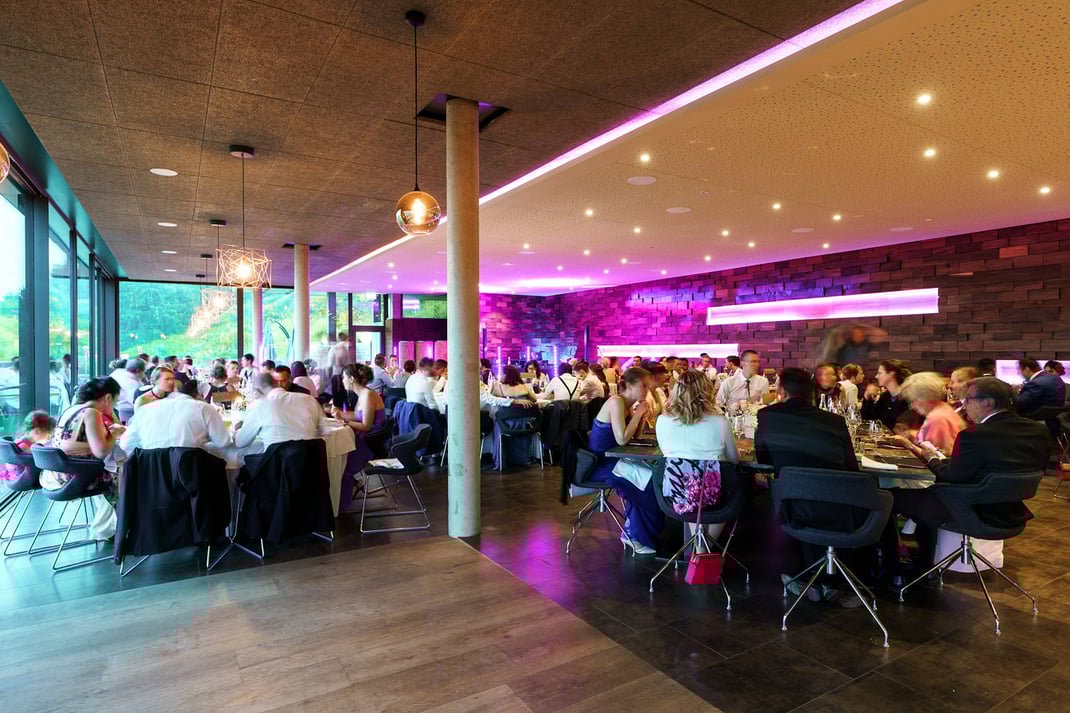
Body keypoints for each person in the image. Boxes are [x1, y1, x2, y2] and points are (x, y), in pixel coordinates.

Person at [886, 377, 1051, 570]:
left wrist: (931, 458)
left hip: (971, 509)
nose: (964, 405)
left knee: (886, 498)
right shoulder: (1038, 430)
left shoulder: (974, 435)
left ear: (987, 402)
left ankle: (901, 566)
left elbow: (951, 477)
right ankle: (922, 562)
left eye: (968, 400)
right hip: (1011, 510)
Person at [755, 367, 864, 606]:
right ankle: (830, 580)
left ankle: (800, 575)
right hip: (839, 505)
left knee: (765, 497)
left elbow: (763, 460)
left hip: (793, 503)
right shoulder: (835, 421)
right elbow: (851, 466)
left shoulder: (767, 415)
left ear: (782, 390)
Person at [656, 370, 738, 541]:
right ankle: (702, 550)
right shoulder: (720, 421)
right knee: (736, 484)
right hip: (714, 494)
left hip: (676, 491)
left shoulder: (662, 420)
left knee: (693, 484)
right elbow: (734, 460)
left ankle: (699, 547)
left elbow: (669, 455)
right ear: (706, 391)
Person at [587, 367, 661, 555]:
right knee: (646, 483)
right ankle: (633, 535)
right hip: (601, 464)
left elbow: (632, 436)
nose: (647, 390)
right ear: (630, 385)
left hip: (615, 460)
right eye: (644, 385)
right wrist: (637, 415)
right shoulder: (616, 402)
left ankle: (638, 530)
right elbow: (621, 439)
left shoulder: (627, 404)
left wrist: (641, 417)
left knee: (654, 476)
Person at [41, 378, 126, 540]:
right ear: (108, 398)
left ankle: (109, 527)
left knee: (113, 469)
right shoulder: (91, 413)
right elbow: (101, 451)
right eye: (115, 401)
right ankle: (111, 529)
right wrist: (115, 433)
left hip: (55, 474)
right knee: (122, 471)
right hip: (75, 478)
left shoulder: (72, 410)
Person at [121, 380, 231, 453]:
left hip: (152, 475)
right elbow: (223, 441)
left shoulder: (145, 410)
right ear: (199, 395)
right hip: (190, 473)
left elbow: (126, 444)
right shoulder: (203, 408)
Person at [234, 373, 322, 449]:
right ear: (276, 382)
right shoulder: (309, 399)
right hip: (311, 459)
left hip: (278, 461)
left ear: (257, 390)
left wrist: (236, 432)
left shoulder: (258, 405)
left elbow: (240, 442)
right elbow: (326, 429)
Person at [892, 372, 965, 457]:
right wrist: (910, 434)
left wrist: (907, 444)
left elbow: (936, 457)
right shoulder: (943, 408)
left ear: (928, 397)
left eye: (915, 400)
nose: (913, 405)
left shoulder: (937, 418)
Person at [860, 359, 914, 430]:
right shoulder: (885, 396)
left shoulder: (907, 398)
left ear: (891, 374)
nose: (876, 376)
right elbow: (869, 421)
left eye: (880, 373)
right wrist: (868, 398)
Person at [3, 411, 54, 482]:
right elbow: (41, 462)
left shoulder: (21, 438)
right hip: (23, 477)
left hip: (13, 475)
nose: (48, 437)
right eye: (47, 433)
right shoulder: (25, 445)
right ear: (38, 431)